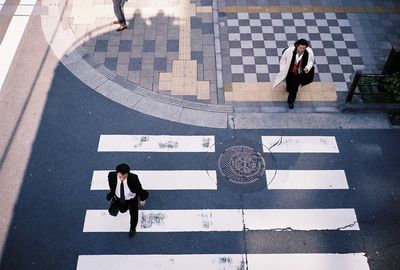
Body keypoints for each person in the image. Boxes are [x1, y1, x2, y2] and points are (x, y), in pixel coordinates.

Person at [107, 163, 148, 238]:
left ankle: (133, 228)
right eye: (120, 177)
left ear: (127, 174)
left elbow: (139, 189)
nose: (122, 179)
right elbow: (112, 186)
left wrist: (142, 199)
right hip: (119, 198)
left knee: (134, 214)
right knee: (122, 210)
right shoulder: (111, 175)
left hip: (132, 199)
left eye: (124, 177)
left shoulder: (133, 178)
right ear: (117, 173)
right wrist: (111, 194)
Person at [273, 39, 315, 109]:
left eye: (303, 48)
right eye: (300, 47)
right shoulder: (290, 51)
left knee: (294, 88)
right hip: (290, 72)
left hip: (299, 73)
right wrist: (282, 69)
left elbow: (311, 61)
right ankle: (288, 87)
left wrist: (307, 67)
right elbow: (283, 59)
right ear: (297, 45)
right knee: (289, 82)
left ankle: (290, 101)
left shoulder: (309, 52)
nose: (302, 50)